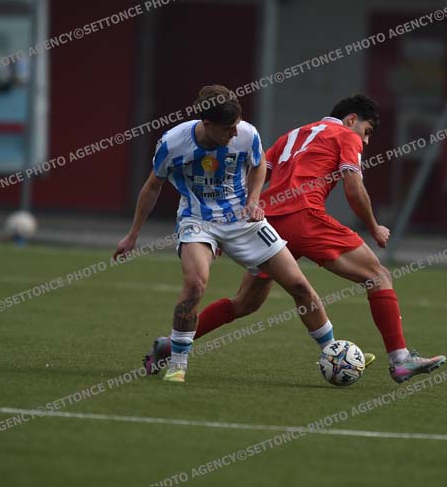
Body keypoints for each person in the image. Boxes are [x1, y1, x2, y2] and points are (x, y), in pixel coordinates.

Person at [143, 94, 446, 383]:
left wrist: (230, 221)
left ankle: (170, 345)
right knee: (378, 276)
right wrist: (374, 226)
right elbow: (353, 187)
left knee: (245, 303)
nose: (365, 141)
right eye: (366, 132)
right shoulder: (346, 135)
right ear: (352, 119)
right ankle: (400, 359)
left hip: (269, 219)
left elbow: (255, 173)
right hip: (305, 217)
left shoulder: (294, 134)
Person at [114, 85, 342, 384]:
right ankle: (177, 364)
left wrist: (254, 200)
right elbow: (152, 186)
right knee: (195, 285)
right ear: (207, 124)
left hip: (242, 220)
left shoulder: (247, 133)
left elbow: (258, 166)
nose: (235, 134)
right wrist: (132, 235)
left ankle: (334, 355)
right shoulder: (173, 143)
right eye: (227, 129)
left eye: (237, 126)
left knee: (299, 285)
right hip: (197, 220)